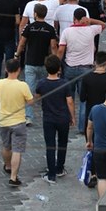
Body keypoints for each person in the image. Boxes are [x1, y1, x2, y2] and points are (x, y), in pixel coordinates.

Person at [35, 54, 75, 182]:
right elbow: (70, 102)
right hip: (63, 118)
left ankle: (51, 174)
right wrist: (72, 117)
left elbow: (37, 97)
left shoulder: (41, 83)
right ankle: (60, 168)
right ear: (59, 68)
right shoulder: (64, 83)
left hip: (48, 119)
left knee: (50, 146)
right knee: (63, 143)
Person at [0, 57, 33, 187]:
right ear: (19, 70)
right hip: (18, 122)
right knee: (17, 150)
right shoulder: (22, 86)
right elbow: (30, 102)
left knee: (6, 146)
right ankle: (13, 177)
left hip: (3, 120)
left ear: (6, 69)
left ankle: (8, 166)